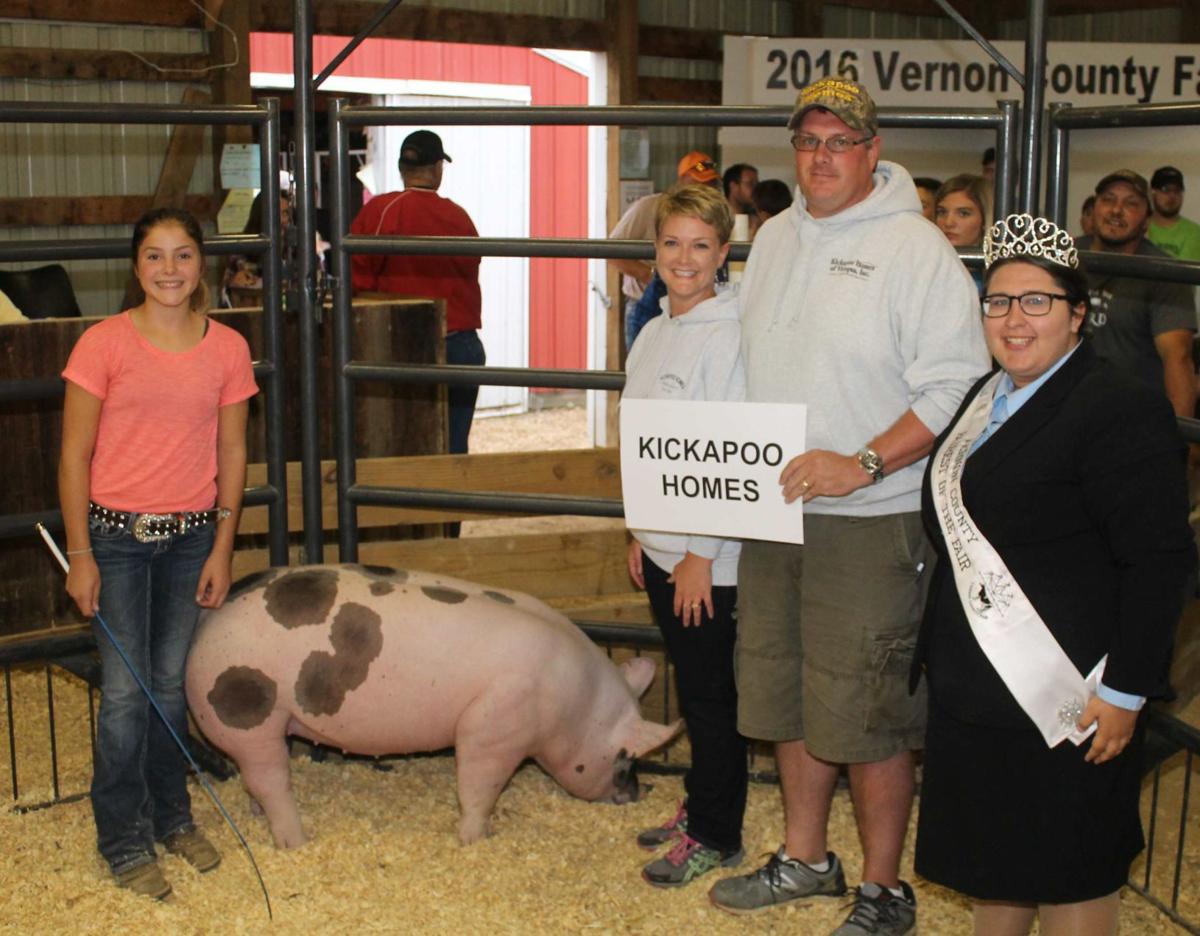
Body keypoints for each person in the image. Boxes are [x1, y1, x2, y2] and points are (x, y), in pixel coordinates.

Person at [708, 77, 988, 935]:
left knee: (867, 708)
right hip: (777, 511)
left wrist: (862, 463)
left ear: (873, 153)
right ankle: (806, 858)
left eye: (840, 142)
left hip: (873, 517)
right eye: (809, 141)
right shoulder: (776, 237)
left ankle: (882, 888)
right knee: (788, 692)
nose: (822, 156)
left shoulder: (915, 248)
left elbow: (955, 386)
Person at [913, 212, 1194, 936]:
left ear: (1078, 315)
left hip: (1069, 696)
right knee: (993, 869)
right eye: (999, 301)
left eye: (1037, 301)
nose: (1014, 319)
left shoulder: (1119, 407)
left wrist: (1128, 689)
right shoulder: (986, 399)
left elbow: (1159, 560)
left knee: (1070, 876)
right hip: (977, 691)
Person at [58, 207, 257, 899]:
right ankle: (121, 837)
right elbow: (74, 454)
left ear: (201, 263)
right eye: (153, 256)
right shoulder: (103, 344)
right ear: (134, 266)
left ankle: (173, 816)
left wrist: (223, 545)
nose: (169, 269)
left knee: (169, 688)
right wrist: (80, 552)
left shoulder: (227, 348)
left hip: (190, 537)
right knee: (122, 695)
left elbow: (232, 450)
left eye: (181, 255)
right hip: (113, 539)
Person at [623, 183, 748, 889]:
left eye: (701, 245)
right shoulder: (657, 329)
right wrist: (641, 529)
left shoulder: (729, 336)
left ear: (723, 253)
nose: (684, 257)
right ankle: (703, 804)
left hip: (710, 558)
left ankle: (717, 833)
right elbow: (649, 443)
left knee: (709, 697)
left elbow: (729, 456)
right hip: (667, 547)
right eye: (672, 243)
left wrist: (702, 552)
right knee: (697, 689)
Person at [350, 129, 484, 456]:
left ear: (401, 169)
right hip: (458, 342)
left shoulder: (381, 212)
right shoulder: (459, 218)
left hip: (402, 343)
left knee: (403, 444)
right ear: (438, 168)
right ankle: (450, 504)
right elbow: (471, 266)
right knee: (453, 448)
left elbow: (355, 279)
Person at [1077, 170, 1196, 419]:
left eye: (1131, 203)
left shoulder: (1164, 273)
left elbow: (1178, 358)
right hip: (1067, 406)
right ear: (1094, 208)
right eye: (1108, 199)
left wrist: (1178, 439)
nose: (1116, 210)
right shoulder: (1067, 255)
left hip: (1131, 414)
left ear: (1146, 221)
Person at [610, 151, 721, 350]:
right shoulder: (649, 206)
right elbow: (612, 250)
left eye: (710, 184)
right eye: (699, 183)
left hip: (691, 306)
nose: (705, 190)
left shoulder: (710, 217)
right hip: (648, 304)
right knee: (645, 372)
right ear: (683, 180)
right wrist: (652, 276)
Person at [936, 174, 993, 293]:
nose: (948, 222)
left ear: (985, 220)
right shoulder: (923, 268)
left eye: (963, 213)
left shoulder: (997, 279)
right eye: (942, 212)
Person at [1147, 166, 1200, 262]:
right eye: (1165, 190)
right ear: (1153, 192)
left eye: (1177, 191)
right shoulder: (1139, 227)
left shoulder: (1195, 233)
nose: (1172, 196)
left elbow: (1187, 273)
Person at [723, 162, 760, 238]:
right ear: (733, 186)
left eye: (757, 184)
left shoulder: (757, 220)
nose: (756, 189)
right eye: (750, 184)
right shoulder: (718, 218)